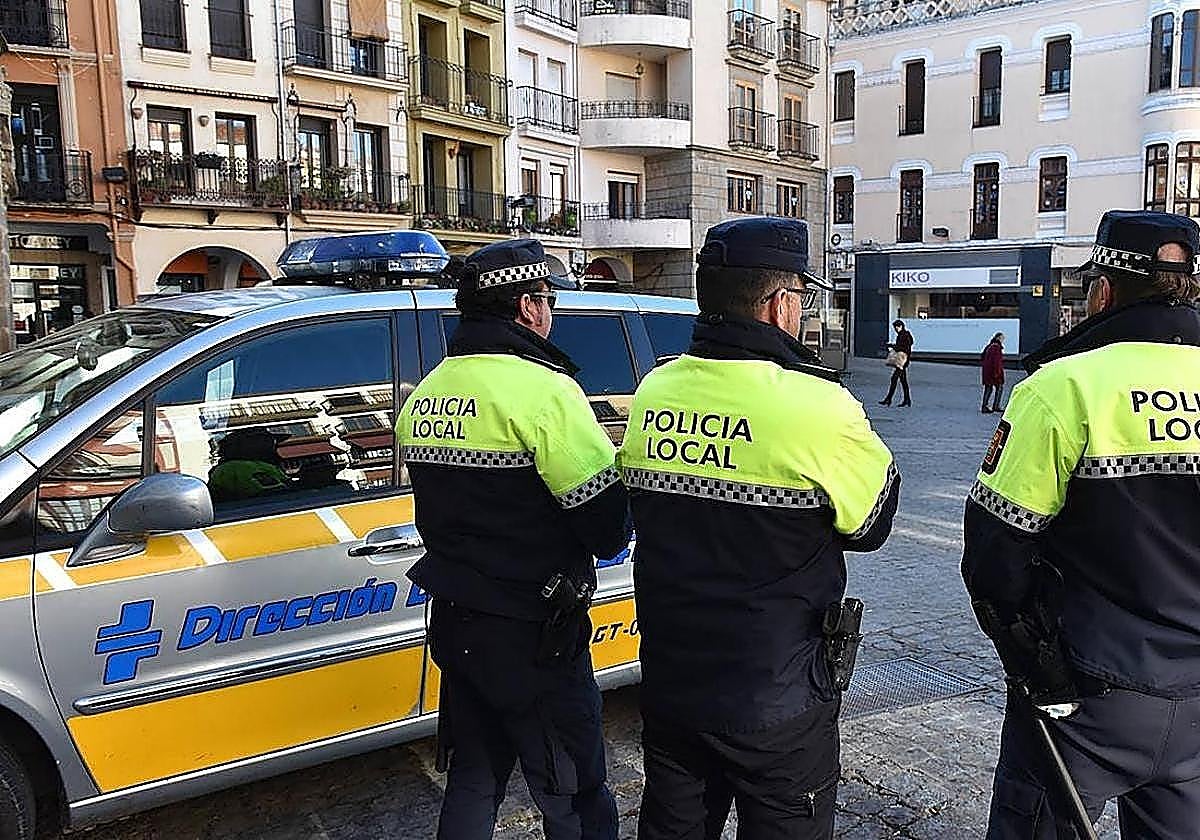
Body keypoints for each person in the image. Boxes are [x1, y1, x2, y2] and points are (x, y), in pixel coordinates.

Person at [618, 218, 900, 840]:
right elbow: (873, 523)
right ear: (781, 305)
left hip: (673, 683)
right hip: (777, 699)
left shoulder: (654, 390)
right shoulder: (818, 405)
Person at [961, 210, 1200, 838]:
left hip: (1090, 692)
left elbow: (995, 551)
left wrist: (1035, 660)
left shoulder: (1065, 385)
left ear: (1102, 290)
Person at [397, 239, 630, 840]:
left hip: (458, 623)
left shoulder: (428, 392)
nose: (550, 311)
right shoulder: (545, 392)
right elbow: (607, 527)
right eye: (548, 299)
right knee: (574, 792)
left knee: (473, 781)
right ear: (527, 308)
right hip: (536, 635)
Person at [879, 319, 914, 407]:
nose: (895, 329)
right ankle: (907, 400)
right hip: (903, 361)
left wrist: (892, 346)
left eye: (896, 327)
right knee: (903, 381)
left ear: (900, 326)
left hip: (902, 361)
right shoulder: (904, 334)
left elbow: (903, 348)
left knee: (894, 379)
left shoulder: (904, 335)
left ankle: (889, 399)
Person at [981, 332, 1005, 414]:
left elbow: (982, 357)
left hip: (987, 371)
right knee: (999, 388)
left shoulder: (989, 346)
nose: (1003, 340)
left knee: (988, 388)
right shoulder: (996, 348)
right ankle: (995, 406)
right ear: (998, 338)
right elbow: (997, 362)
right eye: (1002, 338)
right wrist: (997, 373)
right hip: (994, 373)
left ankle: (985, 406)